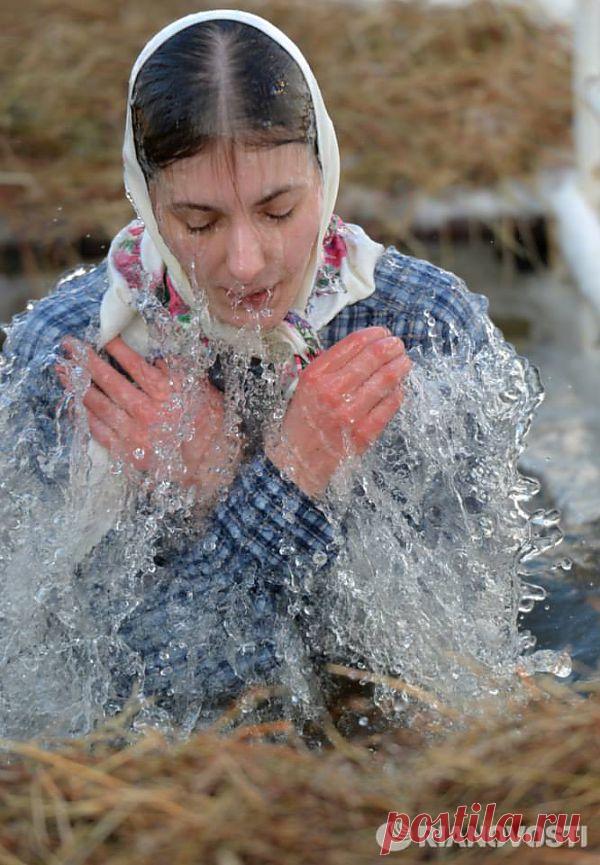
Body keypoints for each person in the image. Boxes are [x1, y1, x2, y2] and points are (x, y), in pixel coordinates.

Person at [0, 10, 496, 733]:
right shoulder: (70, 355)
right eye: (199, 222)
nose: (245, 261)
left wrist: (238, 488)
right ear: (145, 200)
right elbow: (100, 700)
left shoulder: (423, 327)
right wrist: (283, 479)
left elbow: (444, 668)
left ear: (324, 171)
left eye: (279, 209)